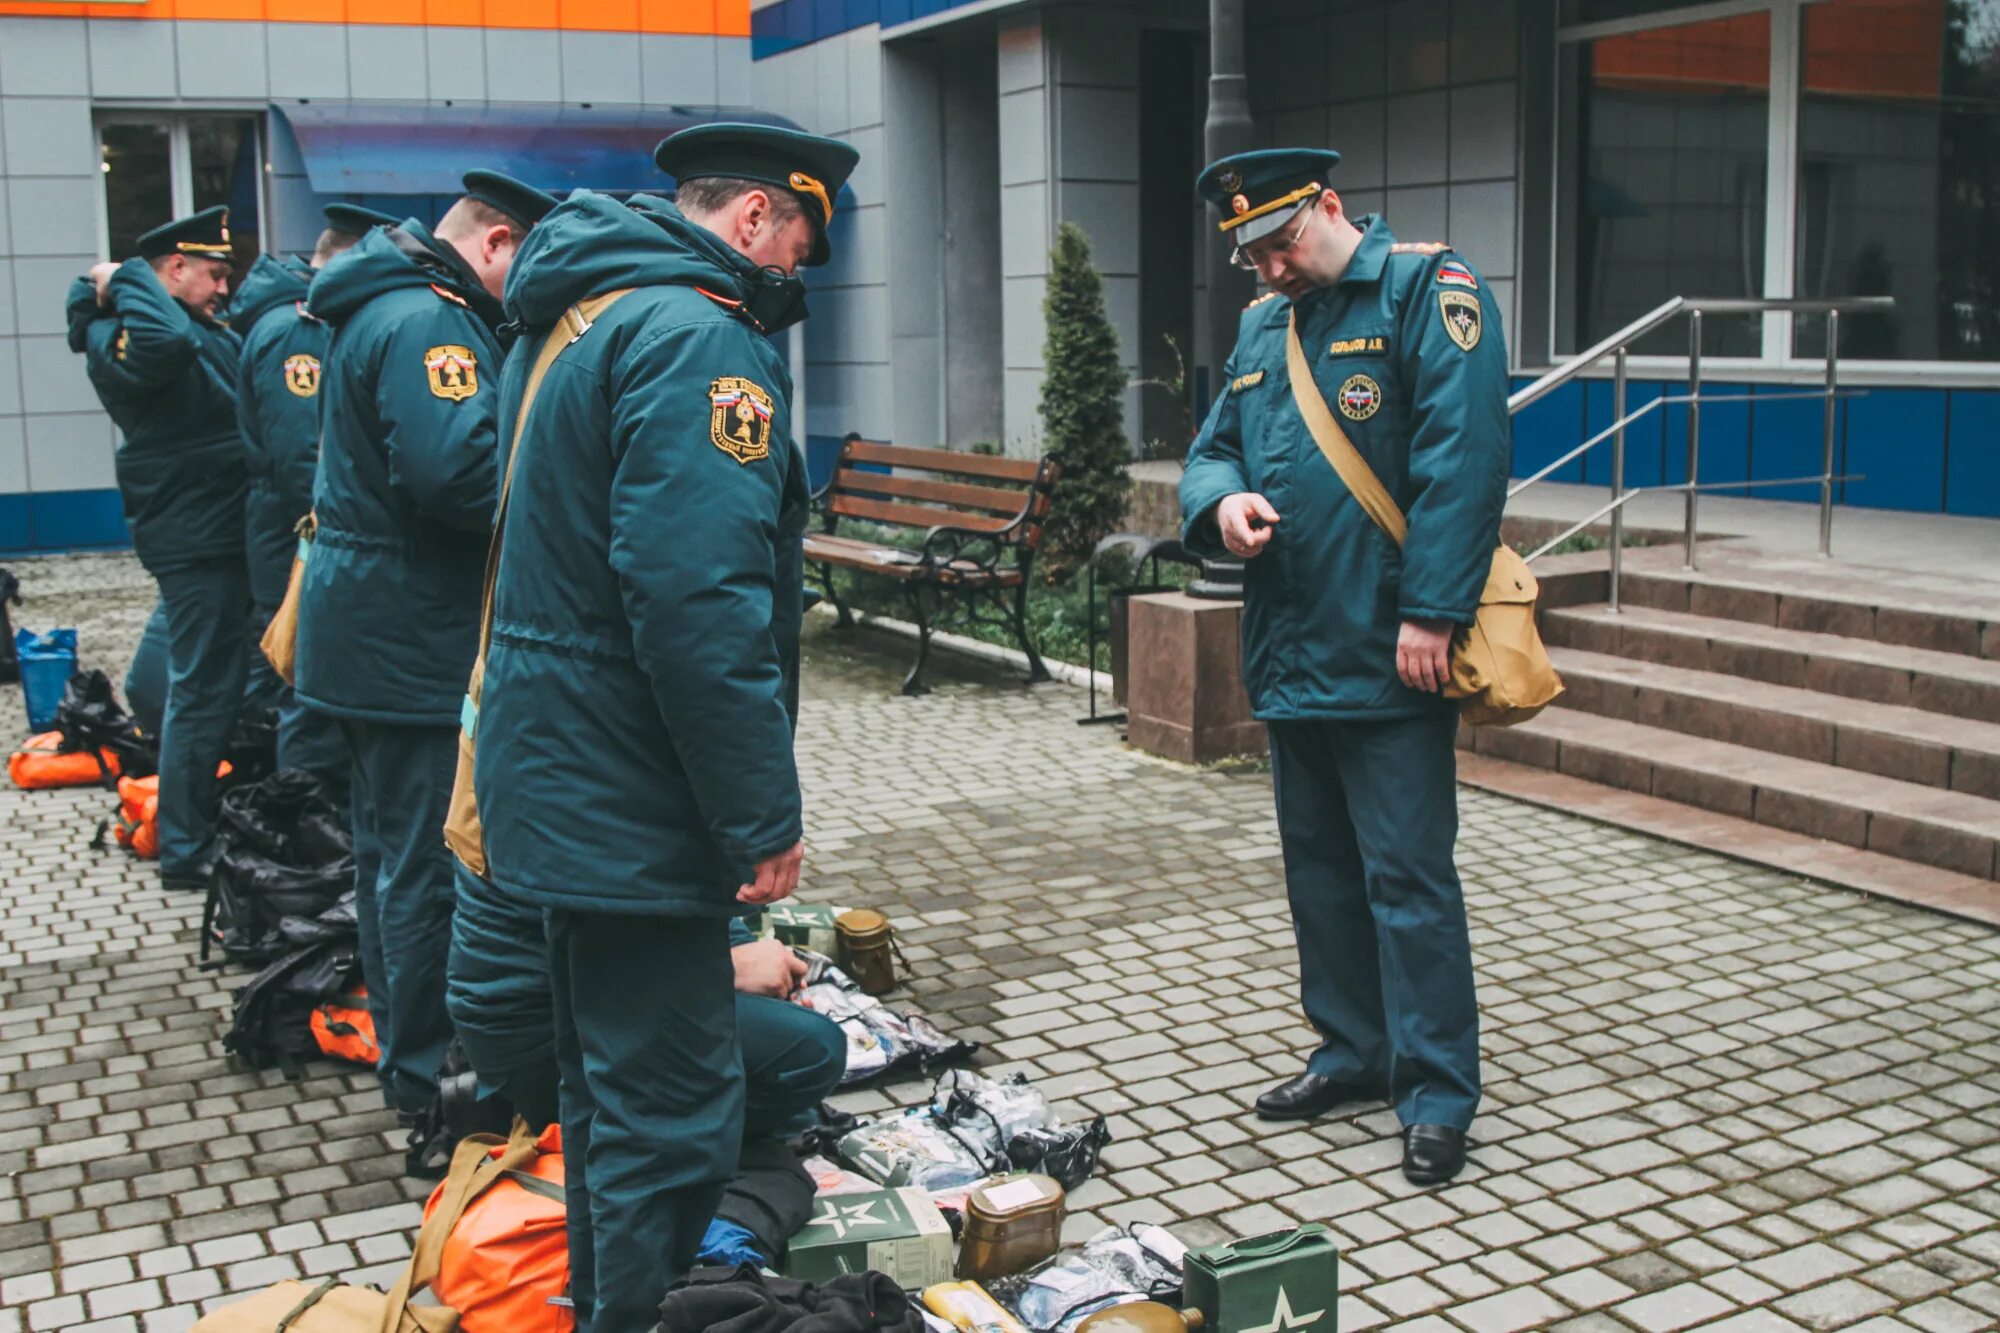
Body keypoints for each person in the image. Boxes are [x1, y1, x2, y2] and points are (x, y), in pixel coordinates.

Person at [470, 124, 856, 1332]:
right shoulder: (695, 337)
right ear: (752, 221)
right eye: (798, 244)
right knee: (673, 1114)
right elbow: (697, 603)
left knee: (607, 1096)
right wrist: (759, 814)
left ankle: (606, 1307)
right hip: (629, 789)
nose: (797, 275)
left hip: (562, 775)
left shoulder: (576, 313)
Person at [1179, 148, 1508, 1187]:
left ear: (1329, 208)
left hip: (1388, 646)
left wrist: (1433, 612)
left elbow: (1463, 457)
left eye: (1281, 243)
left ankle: (1436, 1093)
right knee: (1319, 876)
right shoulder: (1257, 326)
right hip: (1289, 644)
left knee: (1406, 880)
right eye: (1252, 255)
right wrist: (1218, 503)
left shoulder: (1425, 289)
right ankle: (1350, 1052)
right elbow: (1211, 447)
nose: (1269, 268)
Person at [296, 172, 558, 1122]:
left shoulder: (384, 304)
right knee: (419, 864)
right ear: (495, 244)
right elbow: (456, 474)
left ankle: (409, 1053)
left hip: (372, 629)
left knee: (385, 858)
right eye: (526, 262)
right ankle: (426, 1077)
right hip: (407, 634)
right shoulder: (430, 322)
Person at [66, 206, 248, 892]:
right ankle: (186, 847)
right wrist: (119, 277)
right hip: (199, 539)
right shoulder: (133, 336)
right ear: (172, 269)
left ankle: (195, 817)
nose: (225, 286)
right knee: (203, 692)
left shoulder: (192, 325)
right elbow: (169, 343)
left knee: (188, 680)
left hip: (217, 533)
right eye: (213, 272)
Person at [448, 865, 847, 1136]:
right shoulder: (577, 786)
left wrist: (749, 961)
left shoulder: (595, 764)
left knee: (791, 1028)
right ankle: (642, 1151)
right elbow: (607, 951)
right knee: (812, 1049)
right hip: (548, 1036)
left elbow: (688, 898)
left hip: (580, 1004)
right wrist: (726, 969)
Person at [229, 205, 391, 796]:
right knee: (301, 685)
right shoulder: (299, 329)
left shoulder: (314, 321)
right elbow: (301, 453)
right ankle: (303, 827)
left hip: (305, 532)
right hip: (295, 534)